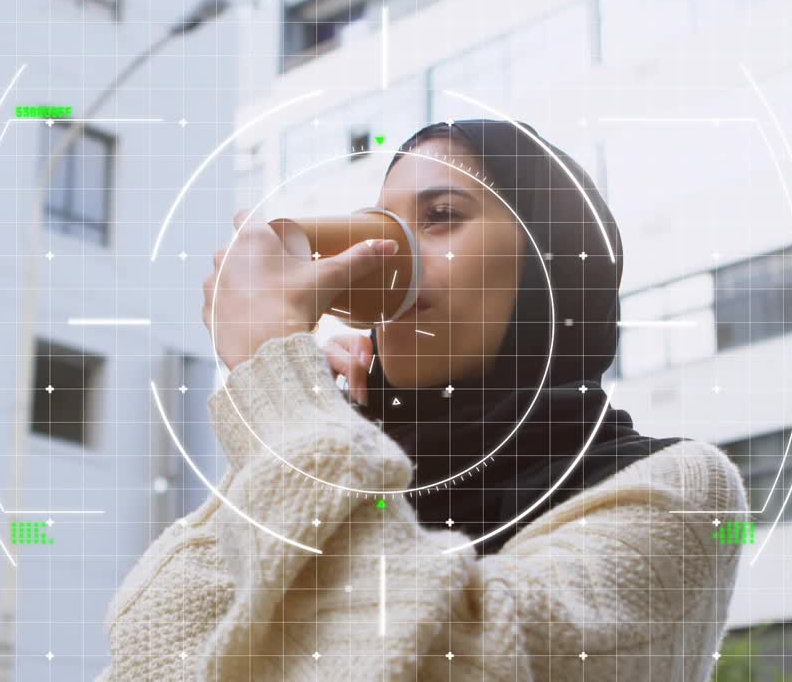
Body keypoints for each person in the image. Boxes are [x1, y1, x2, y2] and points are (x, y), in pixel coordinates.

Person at [98, 120, 748, 680]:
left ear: (550, 263)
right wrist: (304, 415)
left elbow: (458, 659)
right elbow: (149, 654)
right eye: (376, 225)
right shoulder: (335, 455)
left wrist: (285, 402)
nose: (383, 254)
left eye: (440, 217)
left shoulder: (680, 490)